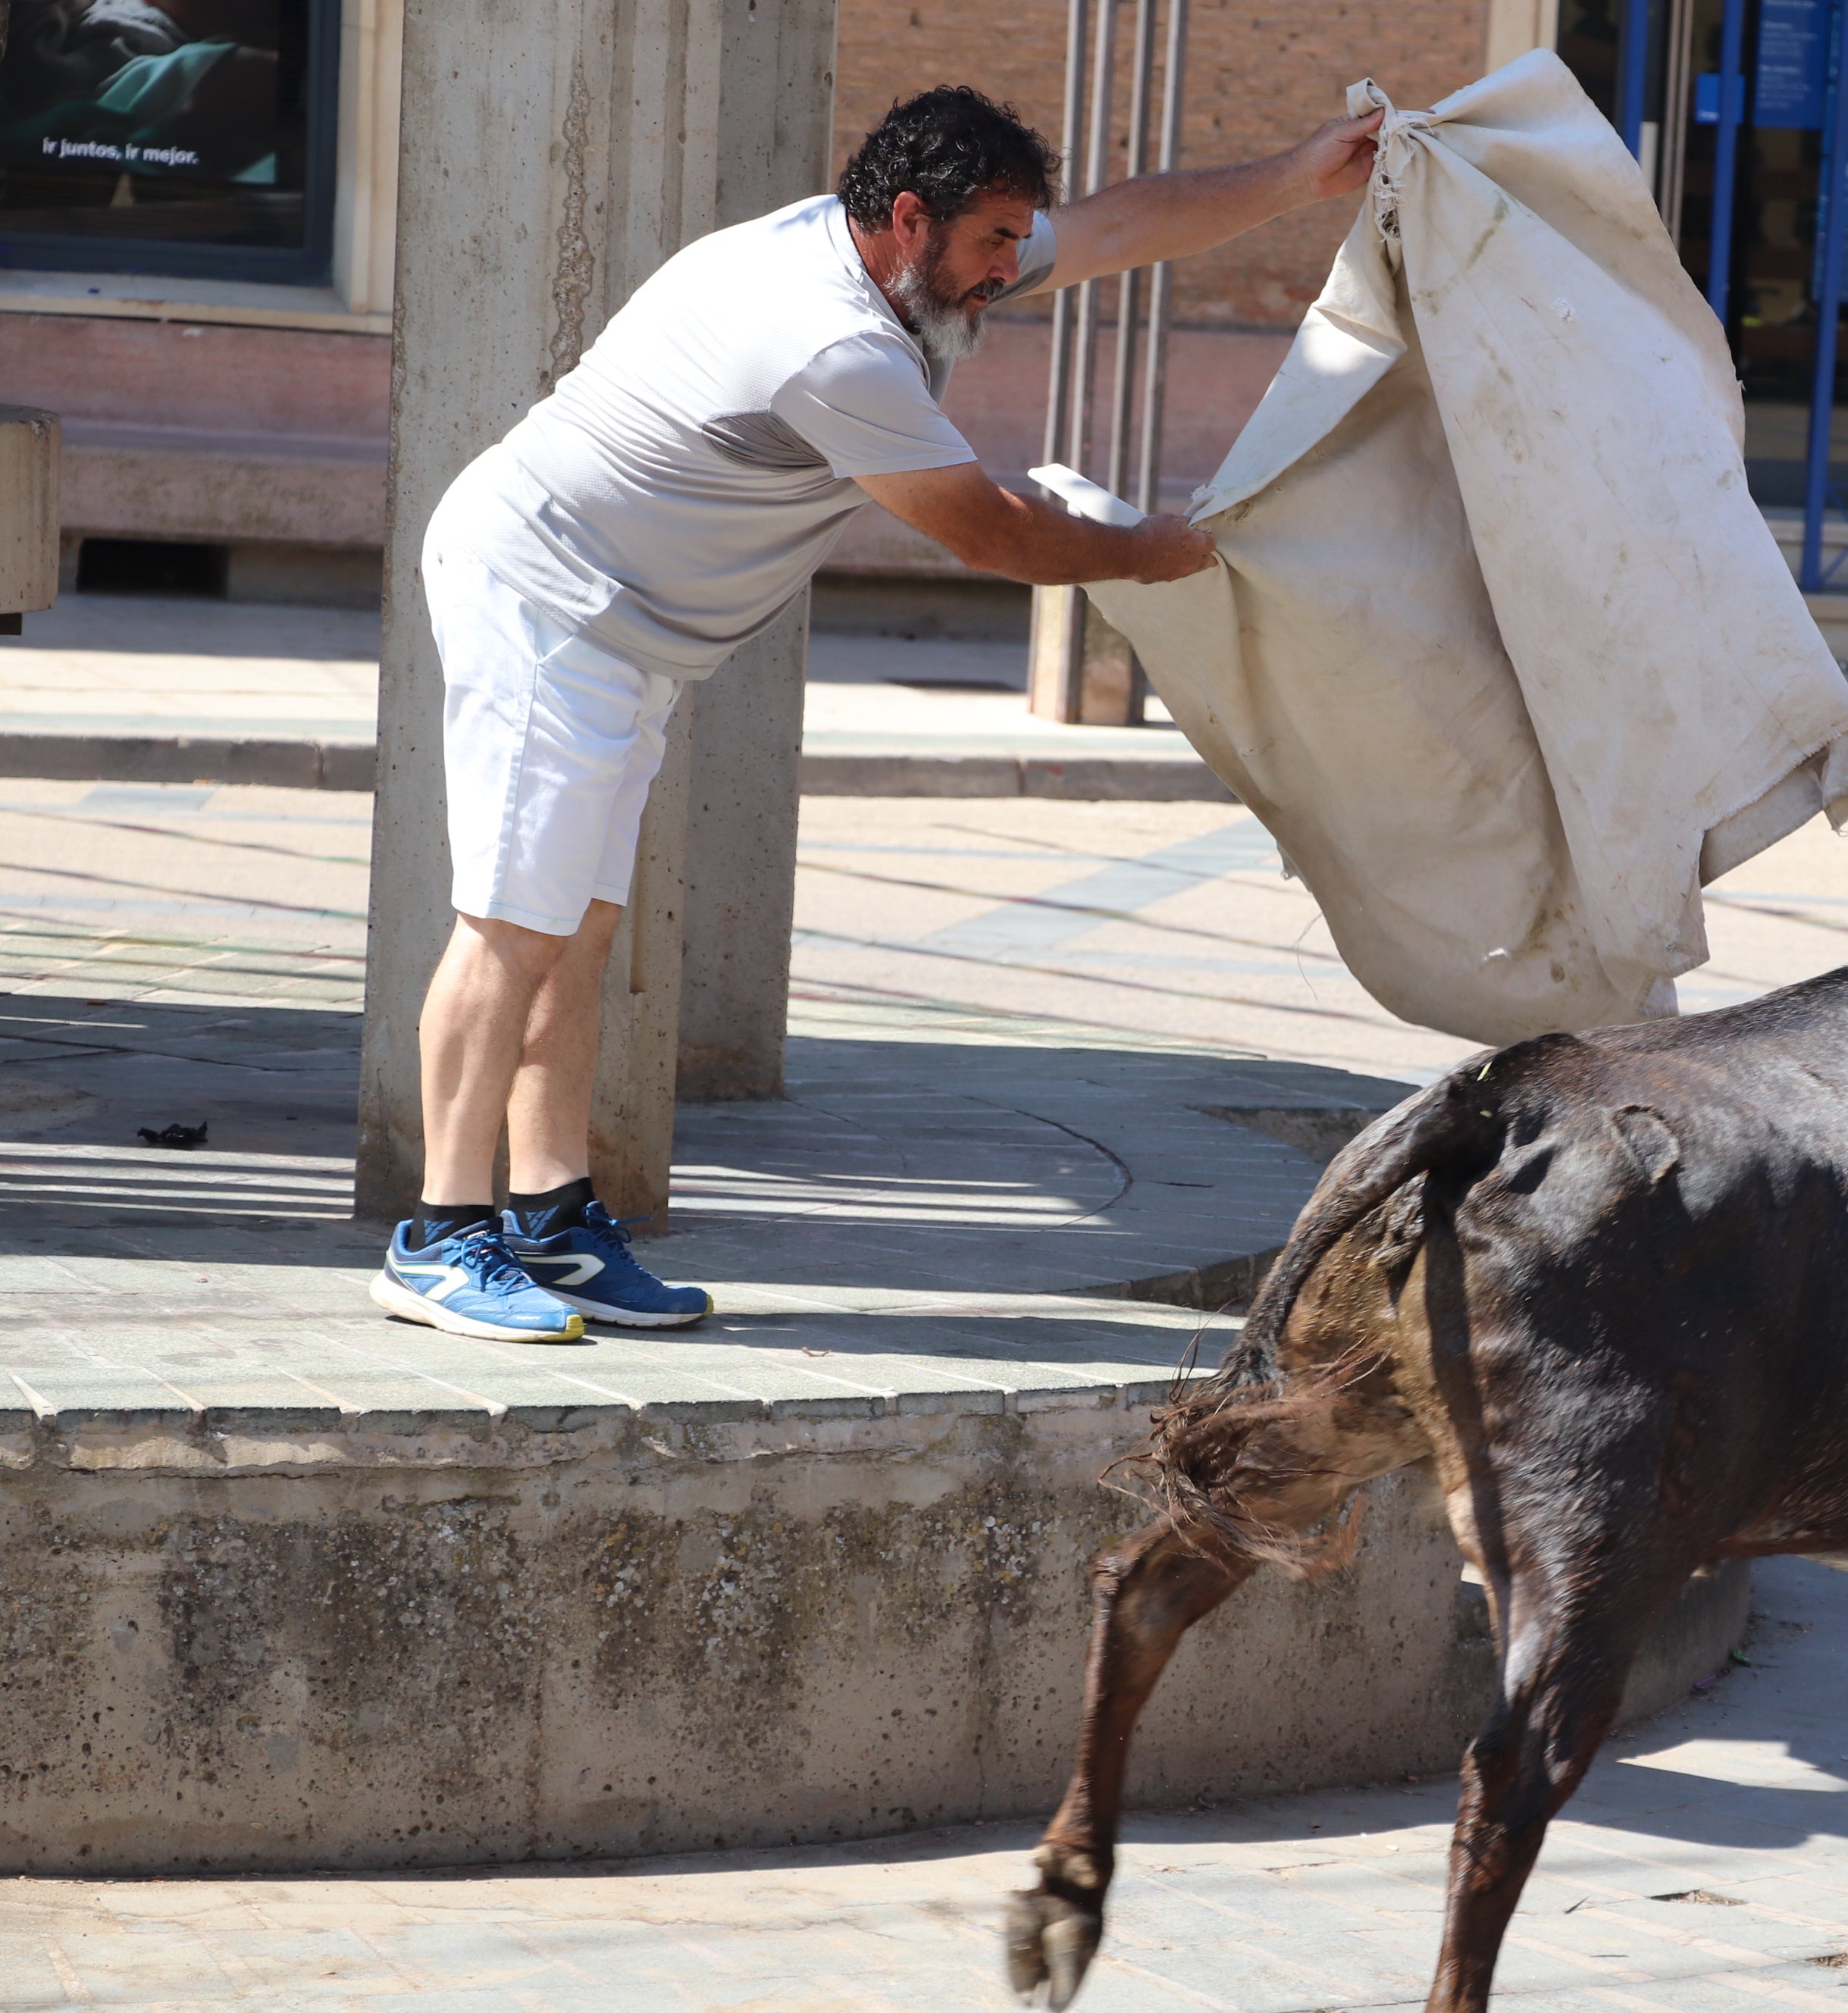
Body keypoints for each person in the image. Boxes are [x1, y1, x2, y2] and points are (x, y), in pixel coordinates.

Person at [371, 86, 1380, 1342]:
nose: (1008, 270)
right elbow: (988, 531)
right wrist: (1158, 554)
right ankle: (439, 1236)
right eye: (992, 244)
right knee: (511, 928)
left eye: (1018, 239)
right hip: (545, 595)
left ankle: (552, 1223)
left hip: (623, 626)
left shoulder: (894, 255)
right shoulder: (829, 342)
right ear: (908, 219)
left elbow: (1122, 225)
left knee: (574, 928)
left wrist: (1298, 171)